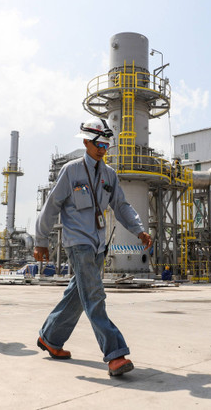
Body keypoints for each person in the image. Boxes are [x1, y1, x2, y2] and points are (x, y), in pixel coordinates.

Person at [33, 117, 152, 377]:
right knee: (95, 297)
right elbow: (52, 204)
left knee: (78, 294)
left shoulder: (109, 175)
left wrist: (139, 230)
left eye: (106, 144)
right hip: (78, 243)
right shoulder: (72, 170)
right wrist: (40, 239)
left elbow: (121, 206)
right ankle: (115, 353)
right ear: (86, 141)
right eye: (98, 143)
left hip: (99, 245)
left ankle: (50, 337)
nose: (102, 148)